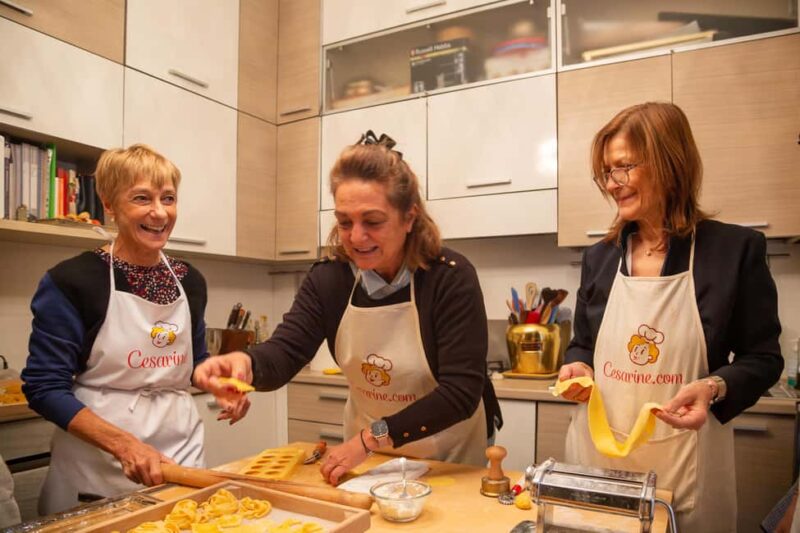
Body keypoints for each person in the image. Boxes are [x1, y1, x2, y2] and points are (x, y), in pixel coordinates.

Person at [194, 131, 501, 485]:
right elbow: (287, 350)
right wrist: (245, 363)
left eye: (372, 221)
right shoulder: (330, 279)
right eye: (344, 222)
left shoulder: (450, 278)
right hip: (367, 461)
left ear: (409, 217)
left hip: (449, 456)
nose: (355, 237)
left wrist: (370, 438)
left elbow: (461, 392)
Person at [557, 102, 782, 532]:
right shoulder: (601, 257)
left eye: (624, 167)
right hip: (600, 460)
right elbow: (583, 342)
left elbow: (764, 358)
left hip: (686, 467)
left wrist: (714, 386)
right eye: (607, 172)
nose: (612, 184)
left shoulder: (732, 252)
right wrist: (577, 364)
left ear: (668, 163)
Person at [21, 144, 247, 515]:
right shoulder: (73, 280)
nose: (159, 212)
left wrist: (217, 383)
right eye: (142, 198)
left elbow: (192, 362)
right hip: (97, 462)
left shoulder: (190, 281)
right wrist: (124, 445)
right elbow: (43, 386)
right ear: (110, 205)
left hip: (179, 450)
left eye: (168, 198)